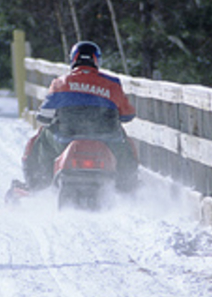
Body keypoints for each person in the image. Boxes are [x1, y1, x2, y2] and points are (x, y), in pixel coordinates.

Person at [20, 41, 138, 192]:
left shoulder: (60, 83)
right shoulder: (113, 84)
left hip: (65, 140)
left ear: (73, 59)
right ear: (96, 60)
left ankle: (39, 184)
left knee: (41, 139)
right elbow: (127, 115)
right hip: (108, 141)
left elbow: (44, 116)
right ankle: (127, 187)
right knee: (126, 147)